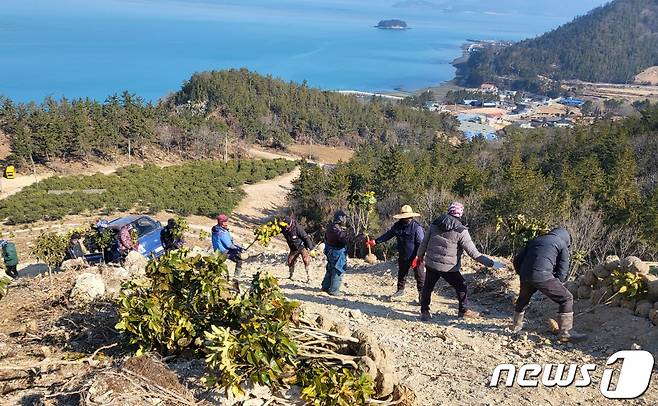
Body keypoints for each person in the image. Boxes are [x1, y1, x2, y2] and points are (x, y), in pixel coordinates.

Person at [416, 202, 502, 320]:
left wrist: (419, 257)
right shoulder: (461, 231)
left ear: (449, 211)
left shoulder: (434, 225)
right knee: (461, 286)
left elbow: (424, 243)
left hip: (431, 263)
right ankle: (463, 310)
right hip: (449, 268)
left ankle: (424, 312)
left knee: (428, 286)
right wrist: (492, 264)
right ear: (460, 214)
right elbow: (474, 253)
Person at [512, 228, 587, 342]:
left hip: (525, 274)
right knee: (567, 298)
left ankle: (516, 326)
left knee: (523, 299)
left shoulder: (535, 240)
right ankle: (566, 333)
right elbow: (562, 270)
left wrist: (522, 274)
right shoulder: (561, 244)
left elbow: (517, 260)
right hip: (543, 275)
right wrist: (555, 283)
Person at [368, 205, 425, 303]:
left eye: (407, 217)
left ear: (411, 216)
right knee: (402, 274)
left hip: (416, 256)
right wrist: (376, 241)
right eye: (404, 217)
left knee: (420, 276)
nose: (405, 219)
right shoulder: (397, 225)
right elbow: (388, 235)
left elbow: (421, 243)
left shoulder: (416, 227)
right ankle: (400, 290)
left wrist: (418, 257)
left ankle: (422, 296)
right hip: (403, 255)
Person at [321, 210, 349, 296]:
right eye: (344, 217)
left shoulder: (330, 226)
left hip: (329, 249)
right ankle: (334, 290)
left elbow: (325, 237)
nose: (345, 219)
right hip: (337, 251)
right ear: (340, 218)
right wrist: (351, 235)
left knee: (330, 269)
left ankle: (325, 287)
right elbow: (344, 239)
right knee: (338, 270)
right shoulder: (336, 228)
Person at [281, 213, 315, 282]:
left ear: (289, 223)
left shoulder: (297, 228)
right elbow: (274, 230)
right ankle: (291, 275)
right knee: (290, 261)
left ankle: (309, 277)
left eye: (286, 225)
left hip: (302, 246)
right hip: (293, 248)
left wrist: (311, 248)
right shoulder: (283, 227)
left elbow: (306, 237)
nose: (285, 227)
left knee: (306, 260)